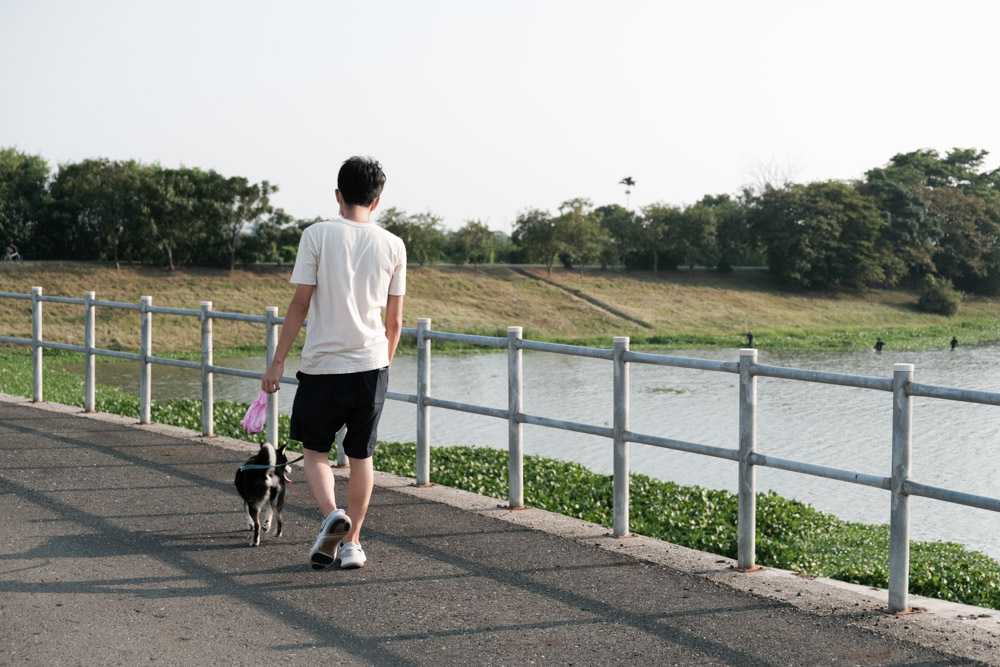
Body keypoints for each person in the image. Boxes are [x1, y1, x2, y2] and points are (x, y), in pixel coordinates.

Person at [261, 156, 406, 570]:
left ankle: (331, 517)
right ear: (376, 202)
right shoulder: (394, 245)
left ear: (338, 196)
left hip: (323, 366)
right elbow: (394, 321)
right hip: (372, 365)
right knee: (361, 456)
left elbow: (299, 305)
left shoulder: (317, 235)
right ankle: (353, 544)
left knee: (315, 451)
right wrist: (384, 368)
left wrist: (276, 364)